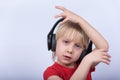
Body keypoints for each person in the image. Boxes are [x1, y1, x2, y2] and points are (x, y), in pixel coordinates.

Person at [43, 5, 111, 80]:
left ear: (84, 51)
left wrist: (80, 20)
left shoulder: (84, 64)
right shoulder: (50, 73)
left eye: (77, 46)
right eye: (66, 42)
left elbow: (103, 47)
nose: (70, 50)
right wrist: (86, 61)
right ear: (54, 43)